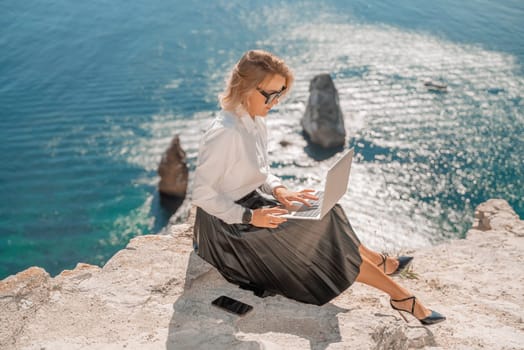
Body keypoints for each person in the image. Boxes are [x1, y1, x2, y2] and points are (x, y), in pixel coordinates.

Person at [192, 50, 445, 325]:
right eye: (271, 95)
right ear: (246, 86)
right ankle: (402, 296)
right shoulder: (224, 132)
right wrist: (251, 217)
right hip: (228, 232)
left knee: (330, 211)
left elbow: (259, 171)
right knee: (322, 236)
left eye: (281, 94)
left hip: (253, 207)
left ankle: (383, 269)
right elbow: (202, 195)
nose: (276, 102)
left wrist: (279, 191)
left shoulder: (255, 120)